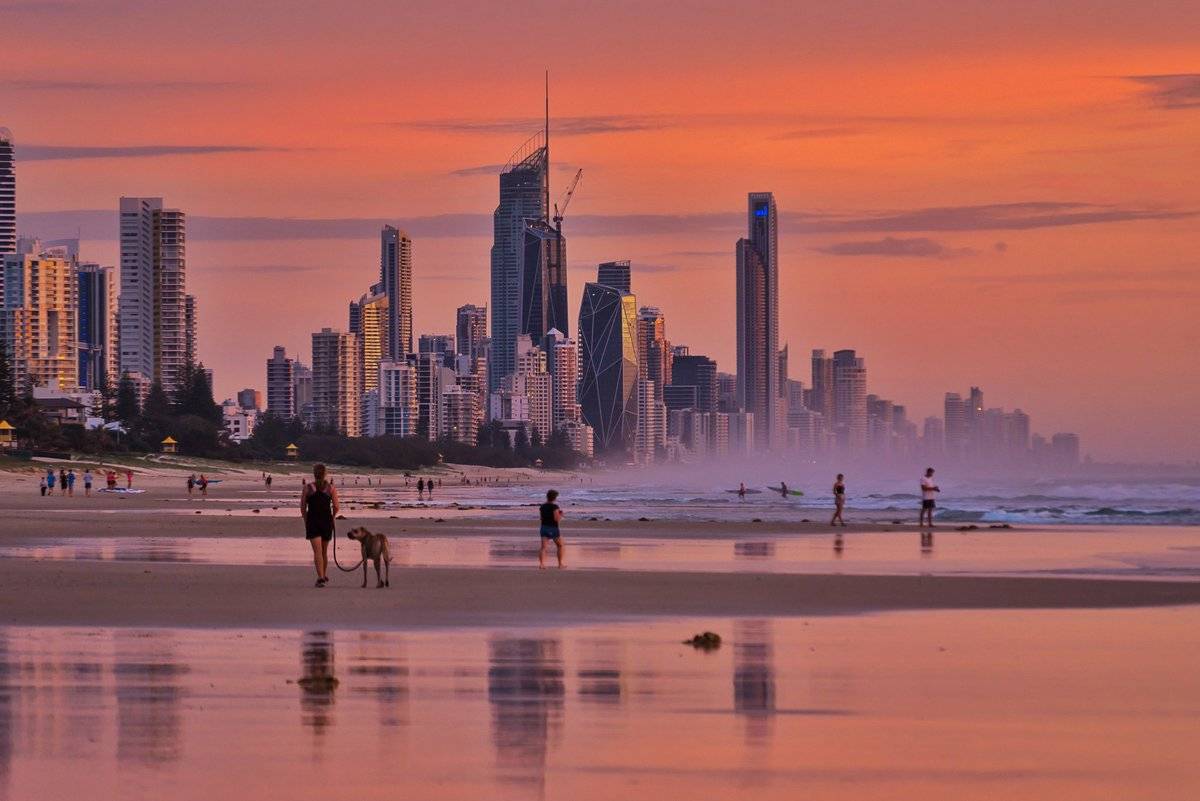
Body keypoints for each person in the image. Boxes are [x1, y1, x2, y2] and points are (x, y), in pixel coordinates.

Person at [301, 463, 339, 587]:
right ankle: (323, 575)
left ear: (314, 474)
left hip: (313, 521)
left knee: (317, 552)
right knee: (324, 552)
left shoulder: (307, 488)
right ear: (325, 474)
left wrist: (306, 520)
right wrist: (333, 517)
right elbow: (336, 506)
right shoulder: (330, 488)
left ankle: (321, 577)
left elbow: (302, 507)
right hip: (326, 521)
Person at [538, 489, 565, 569]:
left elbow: (541, 518)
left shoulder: (542, 506)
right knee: (560, 545)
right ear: (555, 498)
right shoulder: (554, 507)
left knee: (543, 547)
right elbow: (556, 519)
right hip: (552, 528)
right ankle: (560, 564)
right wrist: (561, 514)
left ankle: (542, 564)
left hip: (543, 527)